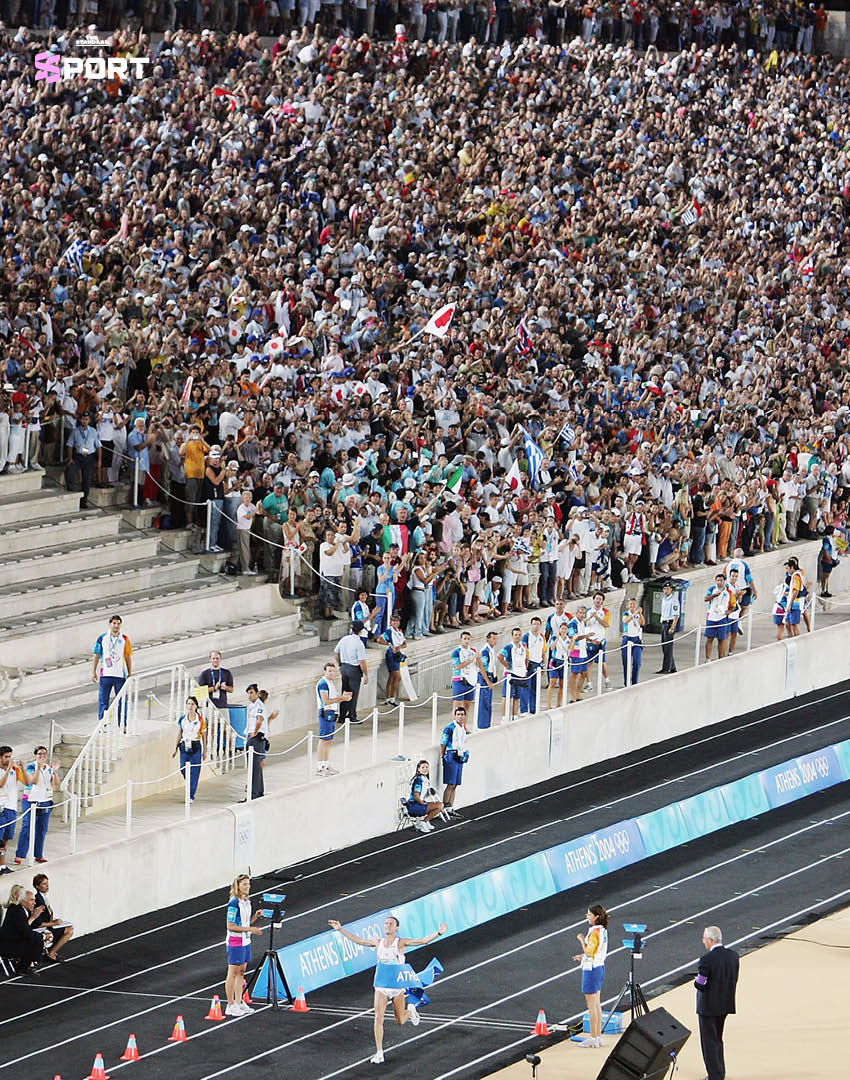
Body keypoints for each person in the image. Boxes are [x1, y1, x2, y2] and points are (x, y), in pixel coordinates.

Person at [327, 913, 447, 1064]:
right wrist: (340, 929)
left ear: (396, 928)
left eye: (390, 923)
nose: (387, 925)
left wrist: (439, 933)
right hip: (382, 985)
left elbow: (422, 941)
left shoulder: (400, 943)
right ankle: (379, 1052)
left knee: (400, 1020)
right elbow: (358, 940)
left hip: (397, 986)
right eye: (386, 924)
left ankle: (410, 1009)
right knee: (378, 1017)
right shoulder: (378, 942)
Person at [694, 925, 740, 1080]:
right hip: (725, 1004)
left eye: (704, 939)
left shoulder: (706, 960)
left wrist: (696, 981)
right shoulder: (733, 956)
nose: (703, 942)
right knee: (718, 1039)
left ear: (710, 940)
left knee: (709, 1043)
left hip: (708, 1007)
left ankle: (715, 1075)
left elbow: (701, 983)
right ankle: (720, 1071)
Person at [225, 874, 264, 1017]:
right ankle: (230, 1005)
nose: (247, 887)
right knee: (232, 973)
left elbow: (245, 923)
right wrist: (250, 930)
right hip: (236, 942)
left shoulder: (246, 901)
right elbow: (230, 925)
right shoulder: (233, 903)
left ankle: (239, 1001)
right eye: (244, 884)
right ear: (238, 886)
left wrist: (255, 917)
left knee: (241, 972)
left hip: (246, 941)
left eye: (248, 884)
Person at [14, 747, 59, 865]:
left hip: (45, 800)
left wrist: (54, 771)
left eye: (44, 754)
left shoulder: (48, 768)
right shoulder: (31, 766)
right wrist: (38, 768)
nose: (42, 756)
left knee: (42, 829)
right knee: (27, 827)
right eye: (40, 754)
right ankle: (20, 854)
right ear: (35, 755)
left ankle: (38, 854)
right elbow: (33, 781)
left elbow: (55, 784)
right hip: (31, 800)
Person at [572, 904, 609, 1048]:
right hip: (599, 967)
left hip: (591, 970)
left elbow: (589, 951)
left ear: (596, 917)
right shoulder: (602, 931)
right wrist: (582, 957)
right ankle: (598, 1036)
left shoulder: (594, 933)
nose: (587, 917)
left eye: (589, 915)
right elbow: (594, 953)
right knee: (597, 1004)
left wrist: (581, 939)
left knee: (591, 1006)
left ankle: (593, 1037)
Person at [91, 614, 132, 725]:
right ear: (110, 624)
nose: (116, 626)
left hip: (119, 675)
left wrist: (129, 671)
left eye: (118, 623)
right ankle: (102, 723)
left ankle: (122, 724)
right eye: (114, 623)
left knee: (122, 701)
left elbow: (127, 656)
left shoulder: (124, 639)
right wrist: (93, 671)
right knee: (103, 701)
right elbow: (96, 654)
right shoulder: (102, 638)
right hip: (106, 674)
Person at [0, 885, 50, 974]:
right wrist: (42, 936)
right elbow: (26, 932)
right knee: (36, 939)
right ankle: (25, 966)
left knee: (37, 937)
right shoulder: (17, 910)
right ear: (23, 901)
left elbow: (29, 928)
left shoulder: (22, 910)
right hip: (8, 945)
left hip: (15, 940)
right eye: (31, 900)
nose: (34, 903)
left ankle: (28, 964)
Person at [315, 661, 352, 777]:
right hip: (325, 713)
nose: (332, 673)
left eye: (333, 671)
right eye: (329, 671)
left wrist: (342, 697)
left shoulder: (330, 683)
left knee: (328, 740)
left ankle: (325, 764)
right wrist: (342, 698)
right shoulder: (323, 684)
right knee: (323, 739)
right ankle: (320, 766)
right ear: (324, 671)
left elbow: (333, 698)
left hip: (332, 713)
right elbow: (325, 701)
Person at [31, 873, 74, 962]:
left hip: (47, 926)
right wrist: (54, 923)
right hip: (41, 929)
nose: (47, 886)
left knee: (68, 927)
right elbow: (37, 923)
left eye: (47, 883)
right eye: (44, 884)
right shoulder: (38, 900)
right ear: (37, 886)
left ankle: (52, 952)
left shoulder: (43, 898)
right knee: (69, 930)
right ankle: (52, 953)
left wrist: (53, 921)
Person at [172, 696, 207, 801]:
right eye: (188, 704)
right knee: (183, 768)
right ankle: (190, 783)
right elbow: (179, 733)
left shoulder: (200, 720)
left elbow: (204, 736)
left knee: (194, 771)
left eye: (192, 704)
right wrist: (175, 748)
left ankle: (190, 795)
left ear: (196, 706)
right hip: (184, 746)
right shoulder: (182, 719)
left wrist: (205, 750)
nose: (190, 706)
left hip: (195, 746)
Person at [334, 621, 369, 723]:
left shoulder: (344, 639)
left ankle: (342, 716)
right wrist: (366, 674)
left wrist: (340, 664)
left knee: (345, 691)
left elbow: (335, 653)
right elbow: (362, 662)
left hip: (344, 667)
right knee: (353, 693)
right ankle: (352, 716)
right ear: (361, 631)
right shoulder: (359, 643)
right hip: (354, 669)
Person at [440, 706, 469, 817]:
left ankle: (451, 807)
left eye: (462, 714)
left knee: (456, 783)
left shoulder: (462, 728)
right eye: (458, 714)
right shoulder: (450, 728)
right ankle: (445, 807)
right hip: (451, 755)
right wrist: (443, 756)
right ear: (454, 715)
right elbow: (443, 742)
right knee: (450, 783)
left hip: (459, 755)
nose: (460, 717)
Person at [450, 630, 490, 706]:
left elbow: (480, 666)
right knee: (457, 706)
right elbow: (458, 666)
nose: (466, 641)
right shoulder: (456, 652)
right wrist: (471, 659)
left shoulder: (473, 651)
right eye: (464, 639)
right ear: (460, 640)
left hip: (471, 680)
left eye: (468, 639)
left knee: (467, 706)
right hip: (459, 680)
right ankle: (455, 718)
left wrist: (487, 680)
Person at [0, 747, 23, 875]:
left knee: (4, 840)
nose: (8, 759)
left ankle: (2, 866)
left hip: (11, 809)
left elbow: (28, 782)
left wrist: (22, 769)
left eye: (10, 757)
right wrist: (8, 769)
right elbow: (1, 784)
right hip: (1, 809)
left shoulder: (14, 770)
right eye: (6, 757)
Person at [498, 627, 530, 719]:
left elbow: (526, 657)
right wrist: (507, 666)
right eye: (516, 635)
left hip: (520, 674)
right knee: (507, 696)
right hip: (511, 674)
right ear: (512, 636)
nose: (517, 637)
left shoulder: (523, 646)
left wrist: (525, 668)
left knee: (517, 696)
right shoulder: (509, 647)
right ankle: (504, 716)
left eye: (519, 635)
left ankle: (514, 715)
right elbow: (499, 656)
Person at [405, 760, 445, 833]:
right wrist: (422, 803)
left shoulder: (425, 779)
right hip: (413, 805)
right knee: (440, 805)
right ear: (418, 769)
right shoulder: (418, 781)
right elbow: (416, 796)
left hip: (418, 803)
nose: (425, 769)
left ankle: (425, 821)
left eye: (427, 767)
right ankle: (423, 822)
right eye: (423, 767)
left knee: (439, 806)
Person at [244, 684, 268, 800]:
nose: (250, 695)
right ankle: (258, 791)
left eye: (252, 692)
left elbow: (260, 719)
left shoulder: (259, 705)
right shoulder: (252, 705)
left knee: (253, 767)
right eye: (248, 693)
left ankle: (252, 794)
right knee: (256, 767)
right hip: (252, 736)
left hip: (256, 738)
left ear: (257, 693)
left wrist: (254, 732)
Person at [585, 592, 612, 691]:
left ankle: (607, 680)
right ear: (593, 600)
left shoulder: (605, 612)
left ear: (602, 601)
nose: (598, 601)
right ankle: (589, 684)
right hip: (589, 640)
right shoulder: (587, 611)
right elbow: (582, 623)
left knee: (602, 662)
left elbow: (606, 624)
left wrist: (596, 617)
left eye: (600, 599)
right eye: (597, 599)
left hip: (600, 640)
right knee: (588, 663)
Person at [381, 613, 407, 708]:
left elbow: (405, 643)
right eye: (394, 621)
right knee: (397, 676)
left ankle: (389, 698)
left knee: (392, 677)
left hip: (397, 654)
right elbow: (380, 639)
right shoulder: (389, 632)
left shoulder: (400, 631)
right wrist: (389, 644)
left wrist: (399, 647)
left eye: (397, 621)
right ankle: (391, 697)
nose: (395, 623)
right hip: (391, 654)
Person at [704, 572, 732, 660]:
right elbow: (705, 598)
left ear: (724, 581)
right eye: (718, 580)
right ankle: (708, 658)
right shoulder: (712, 589)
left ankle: (721, 658)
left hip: (722, 617)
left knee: (721, 639)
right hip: (712, 617)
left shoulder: (728, 592)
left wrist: (729, 611)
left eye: (721, 580)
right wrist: (713, 595)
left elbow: (733, 604)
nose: (720, 582)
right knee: (710, 638)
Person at [521, 616, 546, 713]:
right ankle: (523, 710)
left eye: (538, 624)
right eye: (534, 624)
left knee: (535, 688)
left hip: (538, 664)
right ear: (531, 625)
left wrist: (543, 665)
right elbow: (523, 652)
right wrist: (525, 666)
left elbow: (543, 652)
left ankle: (533, 709)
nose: (536, 626)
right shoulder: (526, 637)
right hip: (529, 664)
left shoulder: (542, 637)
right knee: (526, 688)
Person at [567, 604, 590, 703]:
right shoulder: (573, 623)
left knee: (584, 673)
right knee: (574, 673)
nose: (582, 615)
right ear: (576, 613)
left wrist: (589, 639)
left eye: (584, 613)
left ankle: (578, 691)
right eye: (580, 612)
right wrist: (585, 636)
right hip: (575, 650)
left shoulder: (582, 623)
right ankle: (572, 695)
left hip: (583, 650)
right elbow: (574, 637)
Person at [477, 631, 500, 729]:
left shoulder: (491, 649)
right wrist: (487, 681)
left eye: (496, 638)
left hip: (490, 675)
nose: (495, 641)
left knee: (488, 702)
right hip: (484, 677)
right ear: (488, 639)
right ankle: (482, 724)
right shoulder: (486, 651)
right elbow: (483, 667)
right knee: (484, 701)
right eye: (493, 638)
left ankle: (487, 723)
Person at [657, 580, 680, 674]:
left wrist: (672, 627)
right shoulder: (664, 599)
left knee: (667, 646)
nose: (666, 590)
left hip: (669, 624)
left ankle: (666, 668)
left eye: (668, 588)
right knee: (664, 646)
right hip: (664, 623)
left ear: (671, 589)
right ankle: (672, 666)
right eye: (665, 589)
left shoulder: (673, 600)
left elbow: (676, 615)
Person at [620, 597, 644, 685]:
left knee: (637, 662)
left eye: (634, 604)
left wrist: (640, 614)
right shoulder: (626, 613)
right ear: (627, 605)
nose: (632, 606)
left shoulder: (638, 614)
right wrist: (634, 614)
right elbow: (625, 621)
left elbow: (642, 623)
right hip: (627, 638)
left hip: (636, 639)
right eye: (631, 604)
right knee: (626, 662)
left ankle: (634, 681)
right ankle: (626, 681)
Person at [547, 622, 571, 709]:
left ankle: (558, 703)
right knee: (552, 683)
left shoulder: (568, 639)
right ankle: (548, 704)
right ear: (559, 630)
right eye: (562, 628)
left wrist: (574, 640)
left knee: (562, 684)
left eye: (565, 629)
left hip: (564, 662)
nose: (564, 630)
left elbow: (570, 650)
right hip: (555, 661)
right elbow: (552, 648)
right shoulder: (554, 638)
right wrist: (557, 639)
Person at [818, 526, 840, 597]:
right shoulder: (826, 539)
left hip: (832, 559)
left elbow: (833, 548)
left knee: (827, 576)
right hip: (827, 560)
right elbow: (825, 550)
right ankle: (823, 591)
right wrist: (829, 560)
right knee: (825, 576)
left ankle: (826, 590)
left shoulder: (833, 539)